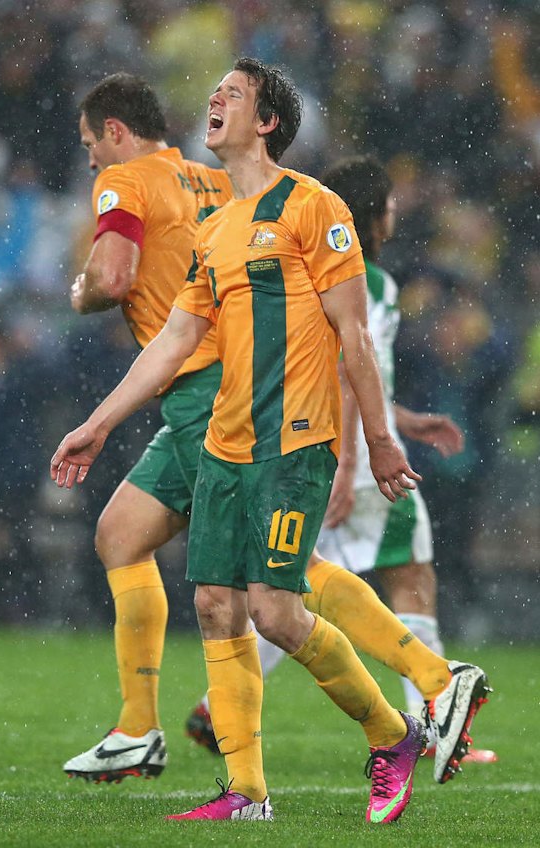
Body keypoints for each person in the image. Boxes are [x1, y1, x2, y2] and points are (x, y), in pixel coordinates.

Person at [62, 71, 490, 799]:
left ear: (267, 122)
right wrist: (98, 424)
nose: (215, 101)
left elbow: (350, 330)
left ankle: (431, 683)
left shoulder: (309, 203)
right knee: (185, 578)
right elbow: (174, 334)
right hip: (216, 420)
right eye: (215, 92)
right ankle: (237, 787)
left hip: (278, 425)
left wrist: (380, 438)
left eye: (233, 93)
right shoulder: (216, 217)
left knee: (272, 597)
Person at [186, 155, 496, 779]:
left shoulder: (298, 266)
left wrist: (404, 421)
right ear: (375, 216)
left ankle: (211, 711)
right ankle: (437, 717)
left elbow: (357, 371)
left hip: (311, 441)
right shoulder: (370, 282)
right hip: (342, 451)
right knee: (403, 577)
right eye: (387, 206)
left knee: (284, 587)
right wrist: (360, 455)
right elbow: (348, 367)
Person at [61, 72, 233, 783]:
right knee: (121, 534)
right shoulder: (216, 183)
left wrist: (77, 293)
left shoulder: (126, 178)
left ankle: (430, 685)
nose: (92, 161)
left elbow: (111, 278)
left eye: (91, 144)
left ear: (117, 132)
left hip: (204, 393)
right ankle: (138, 729)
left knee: (277, 585)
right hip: (228, 382)